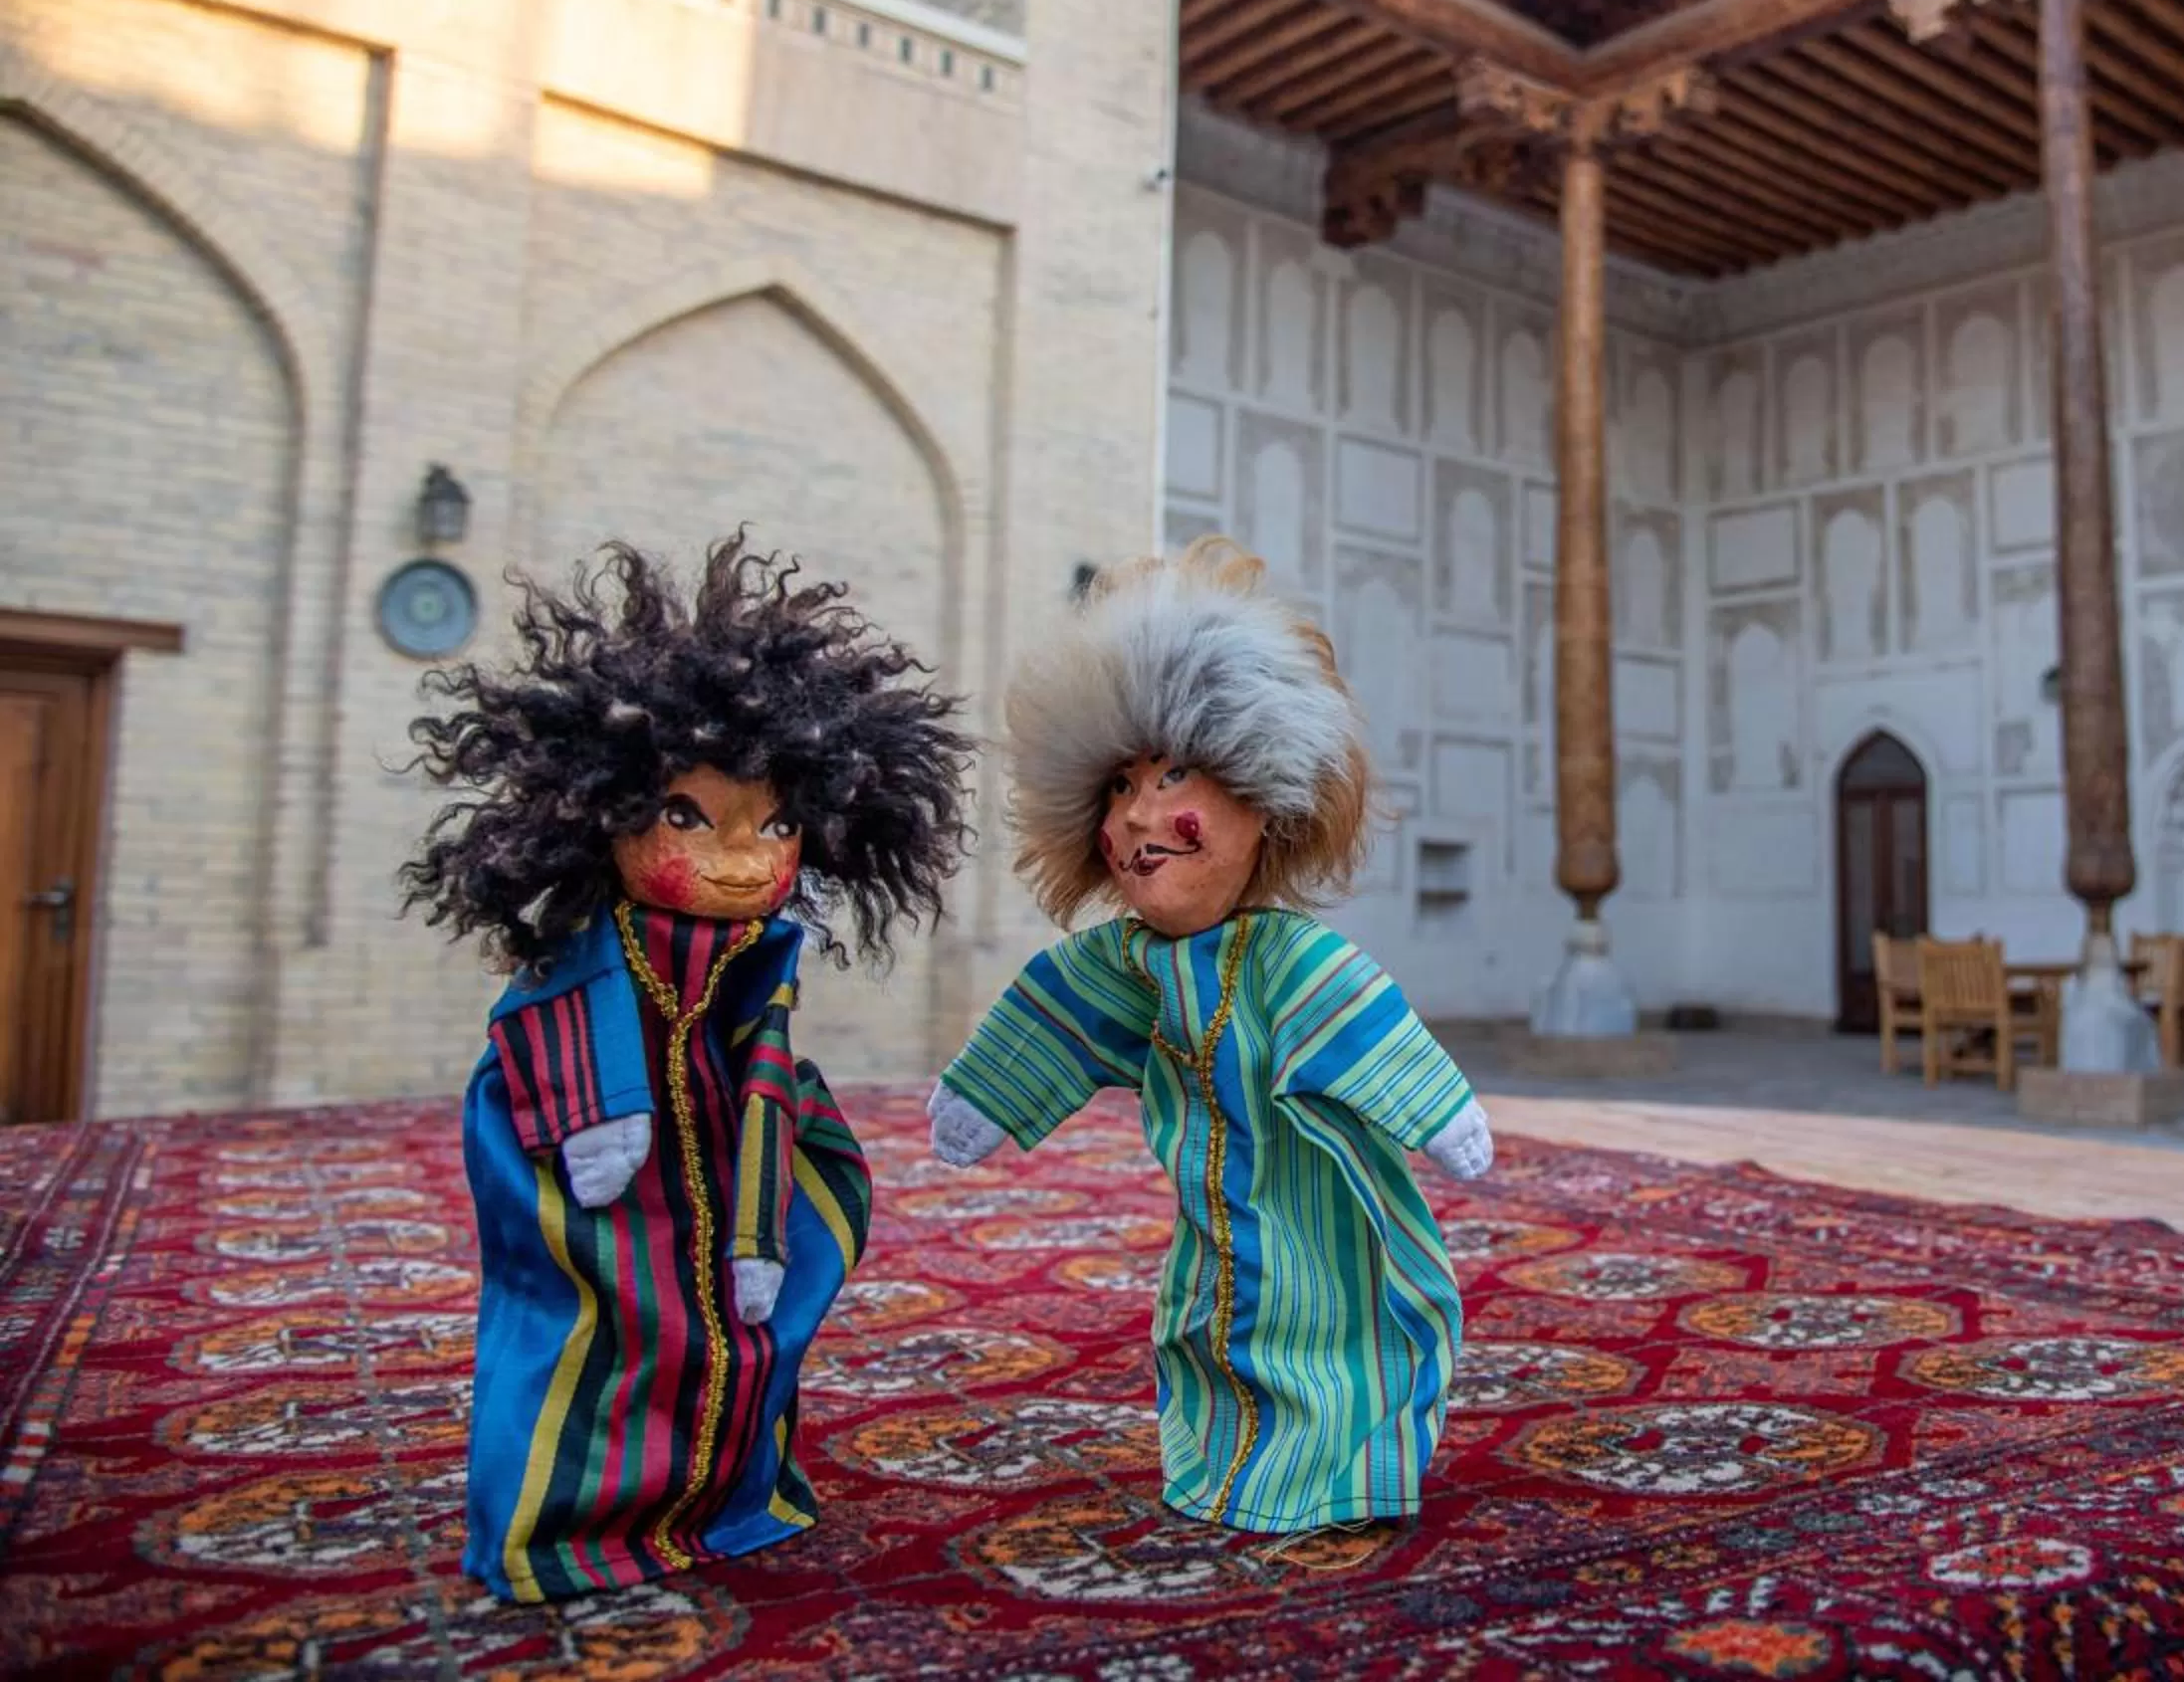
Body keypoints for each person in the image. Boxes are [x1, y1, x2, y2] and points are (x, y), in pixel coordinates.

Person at [401, 532, 972, 1602]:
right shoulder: (590, 942)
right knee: (607, 1322)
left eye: (778, 824)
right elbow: (550, 1006)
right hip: (589, 1143)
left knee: (734, 1326)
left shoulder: (761, 951)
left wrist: (768, 1204)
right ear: (604, 811)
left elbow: (765, 1051)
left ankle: (728, 1493)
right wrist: (597, 1109)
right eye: (688, 817)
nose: (743, 856)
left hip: (722, 1143)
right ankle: (571, 1521)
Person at [927, 536, 1492, 1538]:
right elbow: (1056, 1011)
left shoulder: (1292, 958)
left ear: (1260, 794)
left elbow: (1369, 1025)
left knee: (1339, 1335)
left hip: (1327, 1214)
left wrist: (1445, 1118)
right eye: (1118, 788)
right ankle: (1226, 1471)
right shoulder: (1127, 961)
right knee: (1208, 1337)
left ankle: (1343, 1477)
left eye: (1174, 775)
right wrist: (983, 1098)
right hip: (1211, 1226)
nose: (1139, 814)